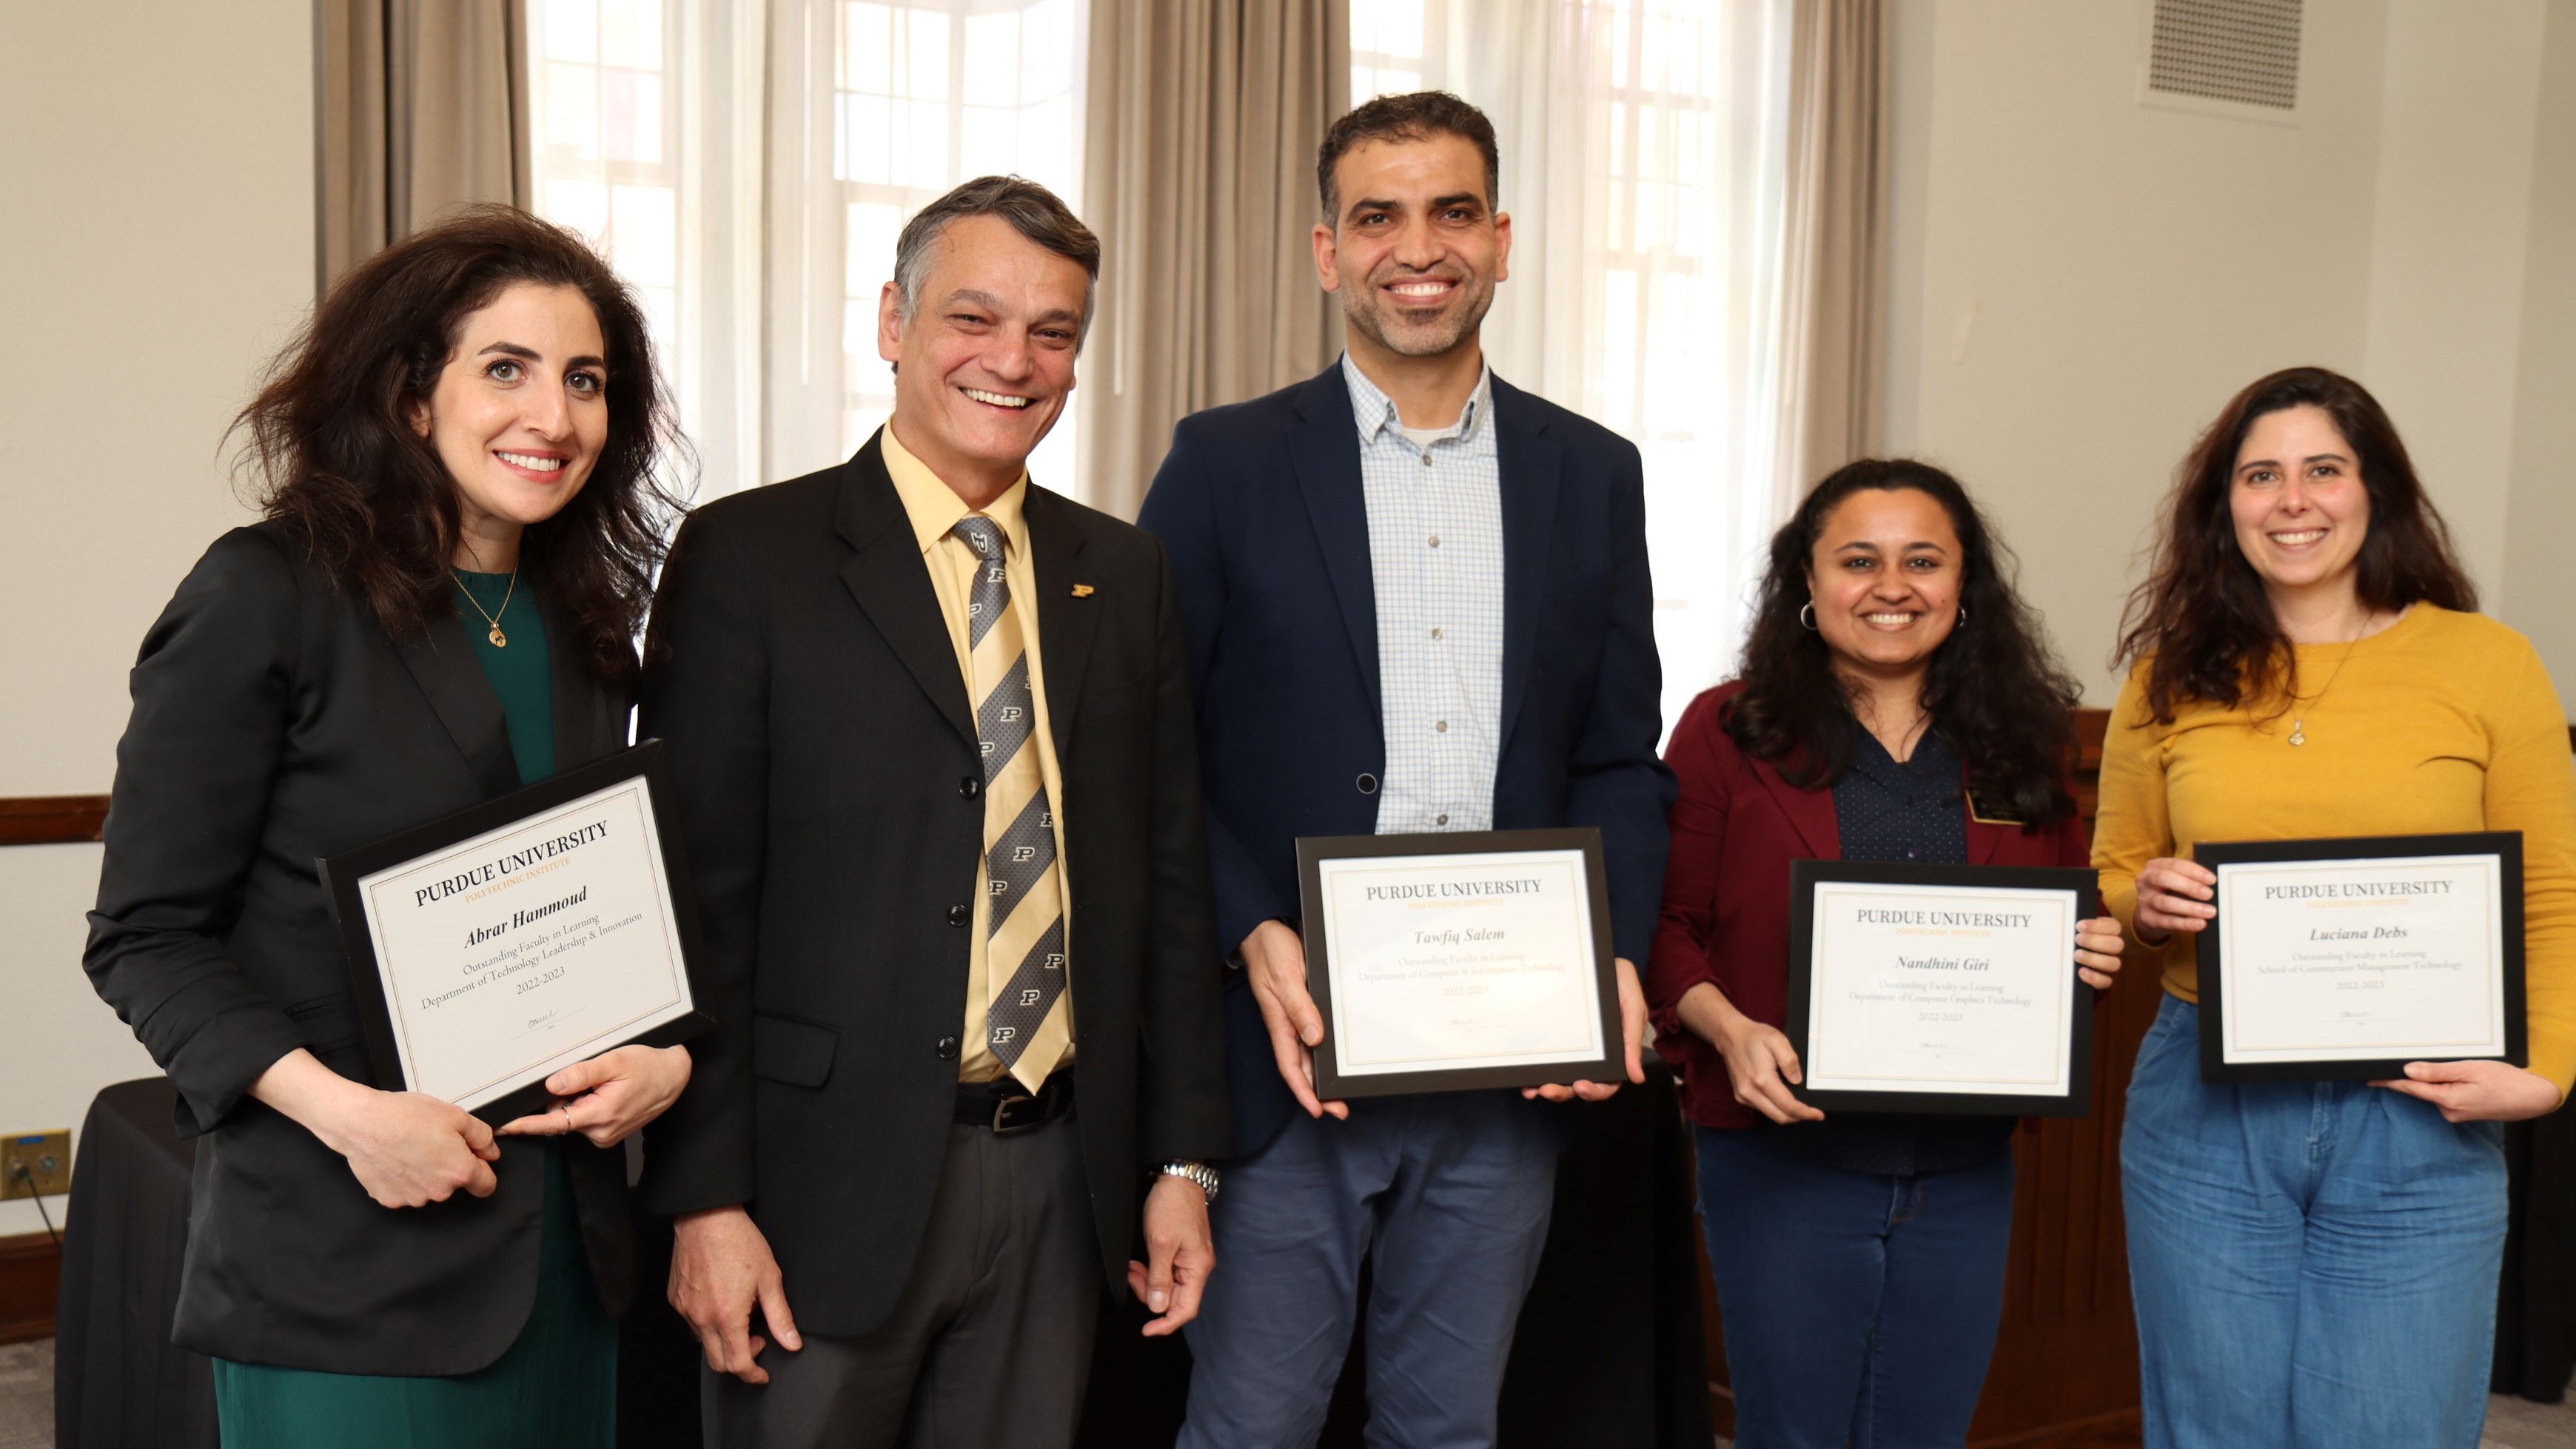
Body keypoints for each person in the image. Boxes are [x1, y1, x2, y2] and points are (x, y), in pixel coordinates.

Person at [82, 205, 696, 1448]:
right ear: (413, 397)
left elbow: (595, 904)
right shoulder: (265, 593)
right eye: (506, 369)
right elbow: (144, 936)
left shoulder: (585, 623)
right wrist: (352, 1118)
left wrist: (663, 1056)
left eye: (586, 380)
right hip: (345, 1260)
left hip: (571, 1269)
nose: (556, 415)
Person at [637, 175, 1228, 1448]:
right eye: (975, 317)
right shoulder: (749, 558)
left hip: (1061, 1176)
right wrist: (704, 1199)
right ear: (894, 320)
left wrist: (1182, 1166)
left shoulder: (1123, 575)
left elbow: (1167, 895)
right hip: (813, 1190)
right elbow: (693, 907)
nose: (1013, 361)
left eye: (1054, 331)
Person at [1136, 91, 1674, 1448]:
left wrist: (1611, 950)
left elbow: (1618, 751)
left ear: (1501, 241)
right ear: (1329, 251)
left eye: (1450, 213)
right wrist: (1248, 924)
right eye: (1377, 216)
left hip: (1507, 1061)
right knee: (1252, 1425)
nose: (1414, 246)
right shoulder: (1226, 462)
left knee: (1445, 1430)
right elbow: (1149, 747)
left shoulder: (1594, 473)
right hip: (1292, 1054)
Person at [2096, 366, 2576, 1448]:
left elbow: (2551, 891)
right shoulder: (2169, 673)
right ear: (2227, 503)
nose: (2293, 499)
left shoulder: (2487, 662)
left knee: (2393, 1424)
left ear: (2377, 489)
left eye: (2324, 469)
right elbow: (2121, 865)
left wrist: (2547, 1068)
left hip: (2421, 1105)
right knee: (2213, 1425)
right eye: (2261, 475)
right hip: (2203, 1105)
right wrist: (2151, 900)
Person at [1643, 460, 2125, 1448]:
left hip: (1964, 1171)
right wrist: (1727, 1028)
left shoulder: (2020, 745)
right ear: (1809, 585)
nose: (1891, 585)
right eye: (1859, 559)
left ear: (1965, 585)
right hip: (1784, 1164)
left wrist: (2091, 949)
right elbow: (1665, 925)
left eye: (1923, 560)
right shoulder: (1727, 729)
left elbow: (2062, 919)